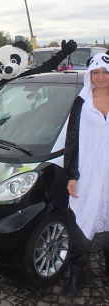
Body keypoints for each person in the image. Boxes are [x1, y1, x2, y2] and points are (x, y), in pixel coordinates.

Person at [63, 52, 109, 298]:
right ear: (89, 75)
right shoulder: (81, 103)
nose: (101, 77)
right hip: (88, 174)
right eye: (96, 72)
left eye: (106, 72)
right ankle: (77, 274)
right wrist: (71, 174)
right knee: (80, 225)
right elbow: (72, 140)